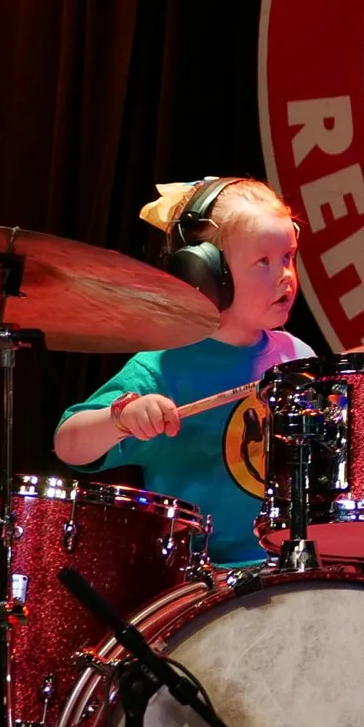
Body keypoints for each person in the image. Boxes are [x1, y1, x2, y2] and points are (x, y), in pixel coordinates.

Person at [53, 177, 314, 569]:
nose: (285, 276)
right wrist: (121, 418)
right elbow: (68, 445)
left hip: (287, 570)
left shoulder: (297, 357)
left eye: (288, 257)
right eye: (263, 262)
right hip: (199, 583)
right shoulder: (160, 367)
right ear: (205, 274)